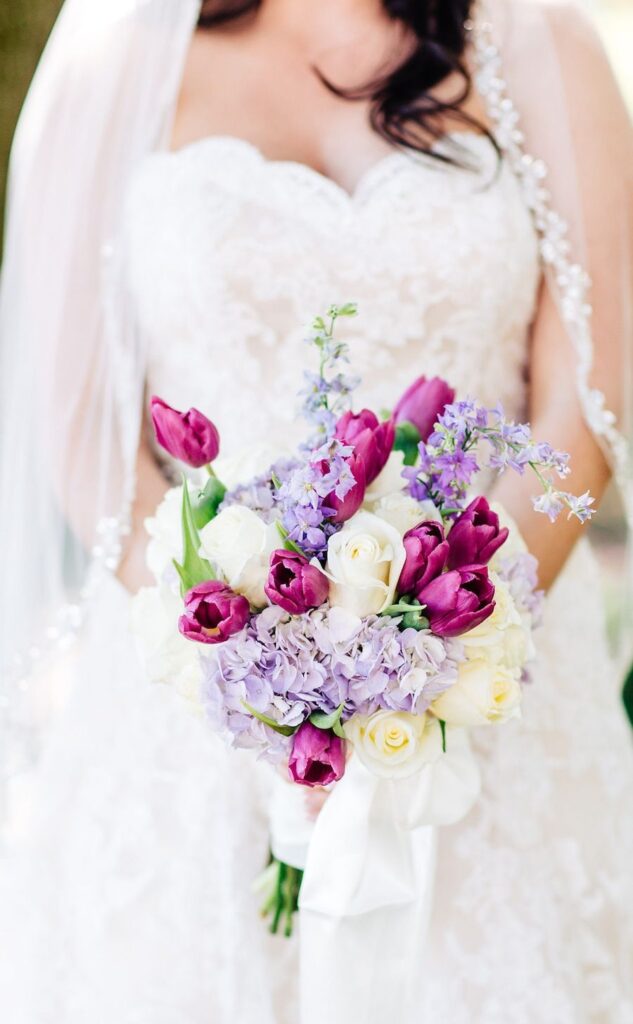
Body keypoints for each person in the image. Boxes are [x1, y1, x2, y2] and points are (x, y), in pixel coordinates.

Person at [0, 0, 631, 1021]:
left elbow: (582, 409)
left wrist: (436, 645)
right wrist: (251, 659)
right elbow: (80, 423)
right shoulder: (123, 53)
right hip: (195, 716)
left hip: (495, 699)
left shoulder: (541, 44)